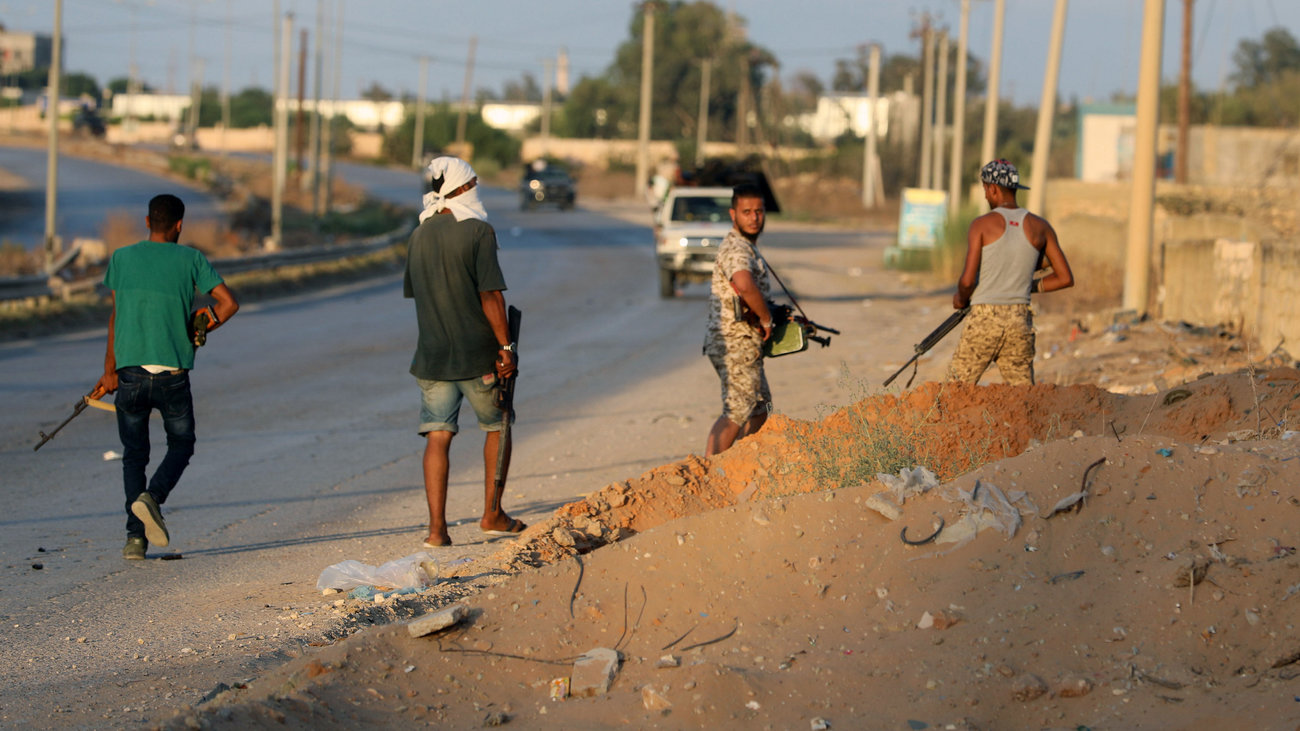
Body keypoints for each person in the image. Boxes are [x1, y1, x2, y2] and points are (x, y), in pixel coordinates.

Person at [91, 193, 239, 560]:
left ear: (147, 222)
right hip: (172, 373)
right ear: (179, 225)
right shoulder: (191, 259)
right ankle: (153, 497)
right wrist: (203, 324)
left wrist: (108, 372)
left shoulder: (121, 258)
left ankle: (135, 540)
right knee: (182, 444)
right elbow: (228, 303)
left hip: (129, 373)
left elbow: (116, 317)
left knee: (134, 455)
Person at [404, 156, 524, 547]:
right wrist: (505, 347)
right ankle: (492, 514)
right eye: (472, 184)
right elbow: (490, 294)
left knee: (438, 436)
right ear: (461, 187)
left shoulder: (418, 234)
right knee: (498, 425)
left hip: (432, 356)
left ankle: (437, 531)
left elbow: (420, 293)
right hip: (478, 355)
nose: (476, 190)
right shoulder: (478, 231)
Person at [948, 159, 1073, 385]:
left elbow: (967, 282)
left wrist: (960, 299)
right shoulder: (1040, 226)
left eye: (985, 190)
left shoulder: (981, 225)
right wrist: (1026, 285)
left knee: (954, 389)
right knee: (1022, 394)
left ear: (992, 189)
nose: (986, 196)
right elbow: (1065, 278)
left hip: (984, 320)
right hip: (1019, 320)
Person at [704, 183, 775, 456]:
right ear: (733, 215)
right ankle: (710, 471)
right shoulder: (737, 248)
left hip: (744, 342)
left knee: (761, 407)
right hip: (735, 342)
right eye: (747, 212)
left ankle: (740, 464)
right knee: (736, 409)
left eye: (759, 211)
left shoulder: (746, 246)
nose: (754, 218)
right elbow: (744, 284)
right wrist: (766, 318)